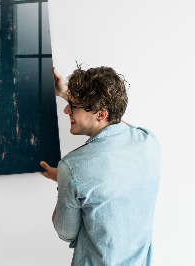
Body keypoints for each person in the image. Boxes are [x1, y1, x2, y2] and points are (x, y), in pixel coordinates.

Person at [40, 66, 160, 265]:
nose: (66, 110)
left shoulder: (72, 167)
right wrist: (65, 94)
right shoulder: (148, 141)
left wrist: (64, 180)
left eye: (73, 106)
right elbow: (118, 125)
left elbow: (65, 233)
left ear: (101, 114)